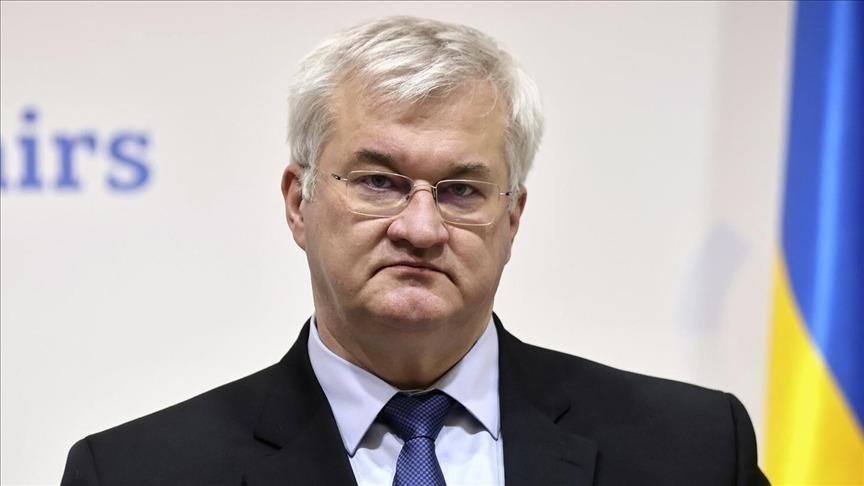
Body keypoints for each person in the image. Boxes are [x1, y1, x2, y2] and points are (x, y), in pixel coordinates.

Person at [61, 16, 769, 486]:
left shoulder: (693, 452)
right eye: (379, 182)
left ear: (513, 218)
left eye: (461, 190)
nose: (421, 228)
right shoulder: (135, 474)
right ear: (299, 202)